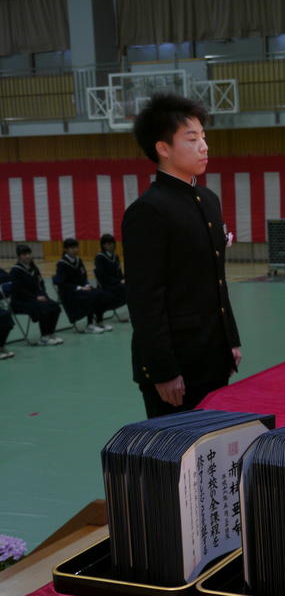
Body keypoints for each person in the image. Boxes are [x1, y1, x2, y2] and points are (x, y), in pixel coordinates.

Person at [123, 93, 241, 419]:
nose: (204, 147)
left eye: (204, 137)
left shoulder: (208, 199)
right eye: (192, 139)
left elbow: (217, 281)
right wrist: (163, 370)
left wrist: (230, 340)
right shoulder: (149, 211)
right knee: (178, 448)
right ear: (163, 148)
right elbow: (145, 298)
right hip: (178, 361)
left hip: (213, 352)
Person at [53, 238, 111, 333]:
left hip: (82, 289)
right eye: (72, 248)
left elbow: (83, 276)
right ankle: (89, 325)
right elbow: (63, 283)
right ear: (66, 249)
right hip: (69, 292)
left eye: (76, 247)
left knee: (101, 293)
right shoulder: (61, 264)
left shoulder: (78, 260)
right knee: (92, 296)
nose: (75, 250)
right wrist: (79, 287)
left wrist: (87, 284)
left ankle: (99, 321)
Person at [9, 244, 64, 346]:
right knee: (43, 308)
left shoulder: (34, 268)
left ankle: (50, 333)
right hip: (21, 301)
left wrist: (43, 295)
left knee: (55, 306)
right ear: (19, 256)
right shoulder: (15, 270)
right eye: (24, 254)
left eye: (29, 253)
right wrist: (35, 297)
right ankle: (44, 337)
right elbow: (18, 290)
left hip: (36, 298)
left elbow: (41, 284)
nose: (27, 256)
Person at [94, 233, 127, 314]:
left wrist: (123, 279)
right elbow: (102, 276)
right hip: (106, 284)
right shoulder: (99, 257)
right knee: (126, 288)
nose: (111, 245)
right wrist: (119, 281)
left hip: (117, 283)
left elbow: (119, 271)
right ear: (103, 245)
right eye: (108, 243)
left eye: (112, 243)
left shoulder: (116, 256)